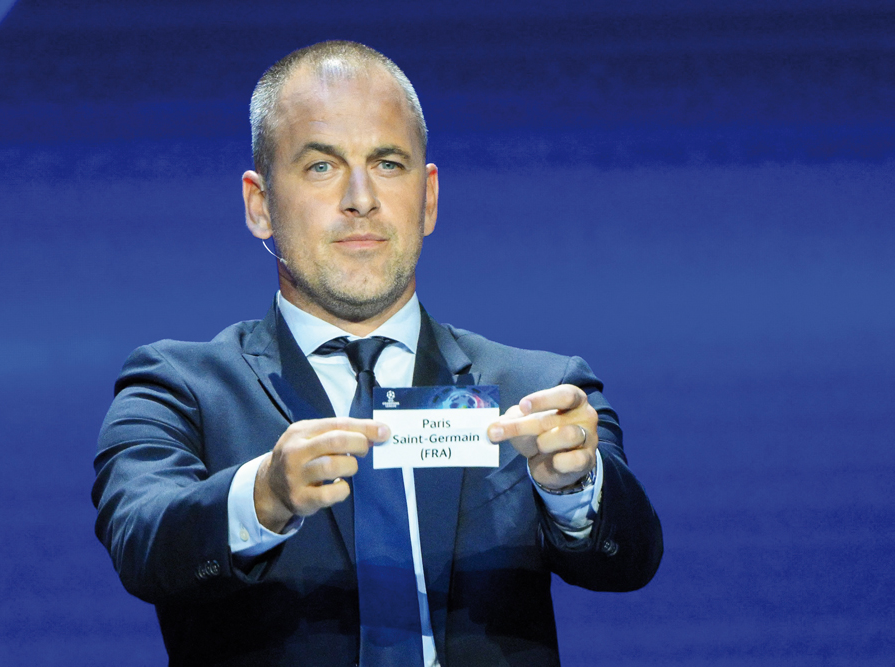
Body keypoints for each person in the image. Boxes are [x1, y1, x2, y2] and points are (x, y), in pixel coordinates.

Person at [92, 40, 662, 667]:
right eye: (321, 166)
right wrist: (266, 493)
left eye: (388, 164)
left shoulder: (541, 391)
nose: (360, 197)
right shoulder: (180, 388)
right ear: (260, 204)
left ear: (429, 197)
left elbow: (630, 561)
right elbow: (142, 541)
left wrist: (576, 488)